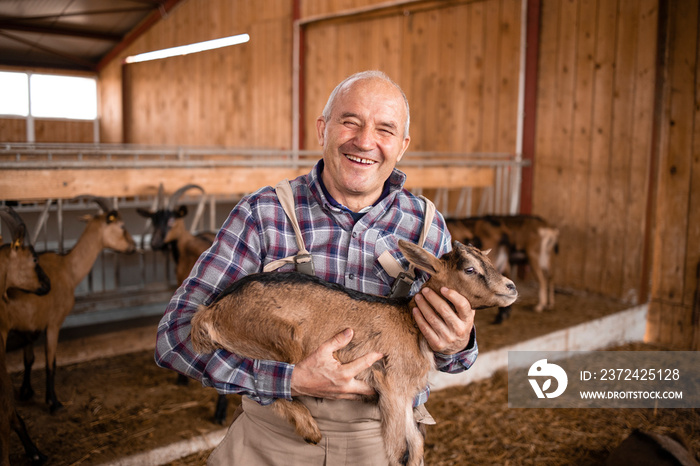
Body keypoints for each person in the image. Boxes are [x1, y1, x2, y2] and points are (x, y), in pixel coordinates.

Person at [155, 70, 478, 465]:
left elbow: (457, 360)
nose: (364, 141)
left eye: (385, 129)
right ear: (322, 129)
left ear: (402, 145)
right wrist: (286, 380)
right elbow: (174, 338)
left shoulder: (427, 227)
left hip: (384, 443)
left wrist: (459, 342)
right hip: (276, 442)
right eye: (350, 122)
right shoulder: (263, 214)